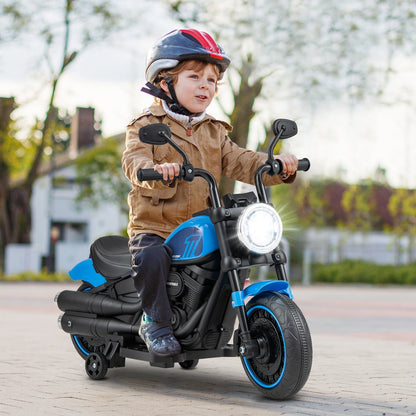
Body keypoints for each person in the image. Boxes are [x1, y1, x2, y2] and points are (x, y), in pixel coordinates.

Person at [122, 29, 298, 358]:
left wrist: (277, 164)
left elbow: (241, 160)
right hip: (157, 227)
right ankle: (155, 321)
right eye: (194, 76)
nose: (206, 85)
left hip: (203, 224)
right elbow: (134, 159)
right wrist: (155, 170)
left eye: (213, 80)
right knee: (151, 256)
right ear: (164, 81)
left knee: (239, 246)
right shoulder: (145, 125)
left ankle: (216, 316)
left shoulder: (214, 130)